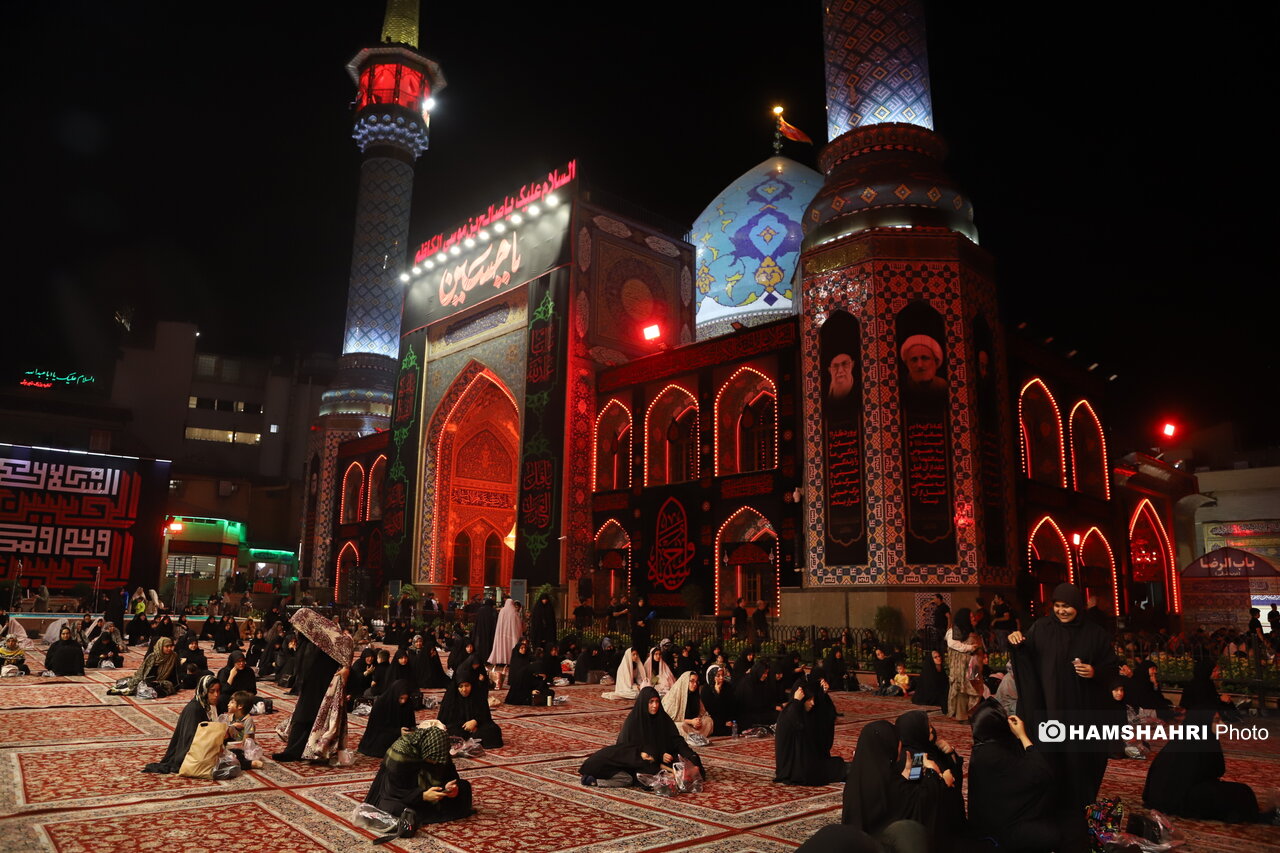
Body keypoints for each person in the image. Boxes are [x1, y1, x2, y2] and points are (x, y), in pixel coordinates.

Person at [1007, 583, 1118, 849]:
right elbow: (1027, 660)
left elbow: (1111, 668)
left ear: (1078, 606)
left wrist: (1095, 672)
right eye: (1057, 606)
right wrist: (1017, 643)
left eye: (1067, 606)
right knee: (1052, 760)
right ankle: (1052, 811)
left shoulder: (1095, 634)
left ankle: (1079, 813)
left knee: (1079, 762)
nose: (1061, 611)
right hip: (1050, 712)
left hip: (1081, 713)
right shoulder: (1041, 629)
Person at [841, 720, 949, 850]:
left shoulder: (857, 777)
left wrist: (905, 777)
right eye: (927, 727)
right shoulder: (916, 757)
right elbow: (917, 804)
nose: (931, 730)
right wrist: (933, 773)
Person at [968, 700, 1058, 850]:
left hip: (995, 821)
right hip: (1005, 830)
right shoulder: (994, 756)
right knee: (1064, 830)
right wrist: (1023, 736)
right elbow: (1043, 773)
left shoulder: (983, 747)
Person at [361, 726, 474, 842]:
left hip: (431, 791)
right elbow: (393, 789)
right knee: (392, 808)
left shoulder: (440, 750)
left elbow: (449, 775)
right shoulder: (402, 751)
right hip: (402, 793)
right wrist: (422, 796)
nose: (434, 762)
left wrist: (450, 788)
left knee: (464, 787)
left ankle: (421, 812)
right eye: (431, 759)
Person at [579, 686, 703, 786]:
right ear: (644, 703)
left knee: (691, 760)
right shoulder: (634, 721)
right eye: (651, 702)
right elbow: (632, 751)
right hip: (639, 760)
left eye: (657, 701)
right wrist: (659, 755)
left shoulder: (662, 718)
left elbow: (676, 740)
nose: (655, 705)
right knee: (644, 774)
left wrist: (689, 756)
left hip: (662, 757)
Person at [272, 608, 353, 763]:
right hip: (311, 684)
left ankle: (300, 751)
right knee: (306, 717)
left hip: (323, 683)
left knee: (308, 717)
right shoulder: (309, 639)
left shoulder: (325, 636)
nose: (297, 630)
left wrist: (346, 667)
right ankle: (298, 751)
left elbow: (347, 643)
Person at [143, 674, 220, 774]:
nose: (216, 695)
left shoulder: (206, 706)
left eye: (218, 691)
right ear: (204, 691)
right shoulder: (194, 709)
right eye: (212, 691)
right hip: (190, 753)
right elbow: (190, 739)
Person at [774, 679, 846, 785]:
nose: (812, 703)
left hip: (808, 762)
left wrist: (823, 695)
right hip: (796, 769)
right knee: (839, 768)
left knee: (840, 765)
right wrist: (796, 702)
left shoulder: (805, 712)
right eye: (809, 700)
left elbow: (825, 718)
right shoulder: (788, 714)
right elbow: (798, 726)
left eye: (813, 699)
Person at [438, 673, 503, 748]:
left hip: (477, 726)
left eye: (467, 686)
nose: (464, 689)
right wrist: (465, 726)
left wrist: (475, 721)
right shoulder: (451, 697)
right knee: (450, 732)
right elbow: (445, 720)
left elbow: (485, 716)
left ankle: (469, 739)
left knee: (493, 730)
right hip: (459, 727)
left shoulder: (478, 695)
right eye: (461, 686)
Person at [359, 680, 416, 758]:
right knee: (386, 740)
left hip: (401, 734)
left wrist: (410, 730)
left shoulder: (408, 704)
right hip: (383, 733)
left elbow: (411, 723)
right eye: (401, 698)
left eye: (405, 698)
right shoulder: (381, 703)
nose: (403, 701)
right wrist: (398, 731)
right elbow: (377, 727)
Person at [110, 636, 178, 696]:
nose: (169, 648)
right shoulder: (152, 657)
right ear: (160, 646)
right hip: (149, 680)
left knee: (161, 688)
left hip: (164, 682)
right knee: (137, 684)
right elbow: (144, 672)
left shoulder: (173, 656)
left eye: (171, 646)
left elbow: (175, 675)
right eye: (167, 646)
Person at [943, 609, 979, 720]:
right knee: (961, 689)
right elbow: (953, 644)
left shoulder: (970, 631)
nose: (973, 618)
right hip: (959, 667)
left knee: (974, 687)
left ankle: (970, 713)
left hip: (971, 665)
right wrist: (970, 647)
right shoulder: (953, 631)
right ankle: (961, 716)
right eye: (971, 617)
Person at [663, 670, 713, 742]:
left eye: (696, 682)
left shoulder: (695, 695)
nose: (695, 684)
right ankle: (693, 738)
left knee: (708, 721)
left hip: (692, 727)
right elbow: (669, 719)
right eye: (692, 681)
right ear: (685, 681)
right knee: (678, 726)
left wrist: (698, 721)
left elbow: (702, 713)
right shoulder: (674, 696)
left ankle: (694, 737)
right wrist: (690, 722)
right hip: (683, 724)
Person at [222, 689, 263, 770]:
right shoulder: (230, 717)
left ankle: (250, 764)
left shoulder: (248, 720)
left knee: (237, 756)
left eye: (232, 702)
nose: (228, 704)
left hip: (242, 748)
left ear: (240, 706)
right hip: (231, 745)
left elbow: (246, 741)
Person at [700, 664, 736, 736]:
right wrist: (717, 693)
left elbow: (732, 705)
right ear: (711, 676)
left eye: (722, 675)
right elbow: (710, 710)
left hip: (726, 719)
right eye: (718, 676)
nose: (721, 678)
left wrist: (729, 719)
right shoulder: (706, 689)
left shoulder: (727, 686)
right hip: (713, 720)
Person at [472, 598, 499, 667]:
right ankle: (488, 660)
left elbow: (476, 621)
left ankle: (481, 660)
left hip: (480, 631)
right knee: (489, 645)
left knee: (481, 645)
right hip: (490, 632)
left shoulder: (480, 610)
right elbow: (495, 622)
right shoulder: (493, 611)